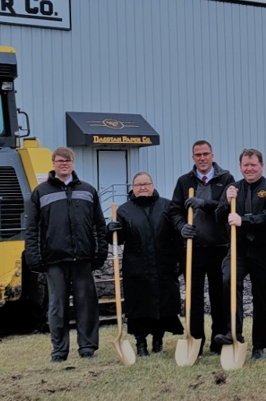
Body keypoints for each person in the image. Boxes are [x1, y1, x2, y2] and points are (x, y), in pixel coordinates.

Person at [24, 147, 108, 363]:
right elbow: (32, 229)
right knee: (57, 307)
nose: (64, 164)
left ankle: (87, 348)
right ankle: (59, 351)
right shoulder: (40, 193)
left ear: (73, 163)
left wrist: (100, 252)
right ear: (53, 163)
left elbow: (99, 224)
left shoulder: (88, 190)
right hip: (54, 260)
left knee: (86, 305)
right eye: (60, 160)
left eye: (68, 160)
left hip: (82, 259)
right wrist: (34, 257)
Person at [215, 148, 266, 360]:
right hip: (238, 248)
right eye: (245, 165)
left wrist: (244, 220)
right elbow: (219, 217)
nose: (249, 169)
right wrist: (227, 203)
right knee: (228, 279)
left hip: (265, 250)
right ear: (240, 167)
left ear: (261, 166)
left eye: (253, 165)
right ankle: (233, 332)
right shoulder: (233, 188)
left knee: (261, 297)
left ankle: (259, 346)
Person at [166, 140, 235, 355]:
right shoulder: (184, 181)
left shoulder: (226, 179)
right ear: (193, 157)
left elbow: (227, 207)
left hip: (219, 246)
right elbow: (174, 210)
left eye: (205, 154)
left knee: (219, 296)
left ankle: (219, 340)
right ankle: (195, 340)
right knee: (193, 297)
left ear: (212, 155)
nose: (202, 158)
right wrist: (181, 227)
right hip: (193, 249)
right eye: (198, 155)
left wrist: (205, 204)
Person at [108, 172, 183, 356]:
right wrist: (110, 231)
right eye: (138, 184)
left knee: (163, 305)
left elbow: (176, 235)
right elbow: (118, 239)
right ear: (132, 188)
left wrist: (178, 258)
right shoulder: (124, 210)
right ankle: (140, 344)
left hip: (163, 265)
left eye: (146, 184)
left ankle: (158, 341)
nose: (142, 187)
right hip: (137, 267)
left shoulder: (166, 206)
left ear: (152, 185)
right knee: (139, 306)